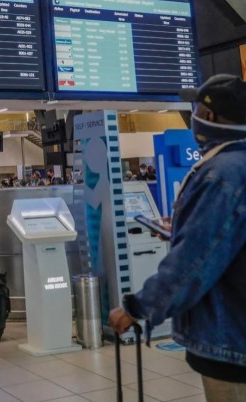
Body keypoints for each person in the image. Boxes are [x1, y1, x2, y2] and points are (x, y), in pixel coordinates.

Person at [109, 74, 246, 402]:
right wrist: (186, 224)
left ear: (209, 116)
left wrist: (138, 307)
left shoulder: (222, 173)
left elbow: (194, 262)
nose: (193, 116)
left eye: (196, 109)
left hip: (231, 339)